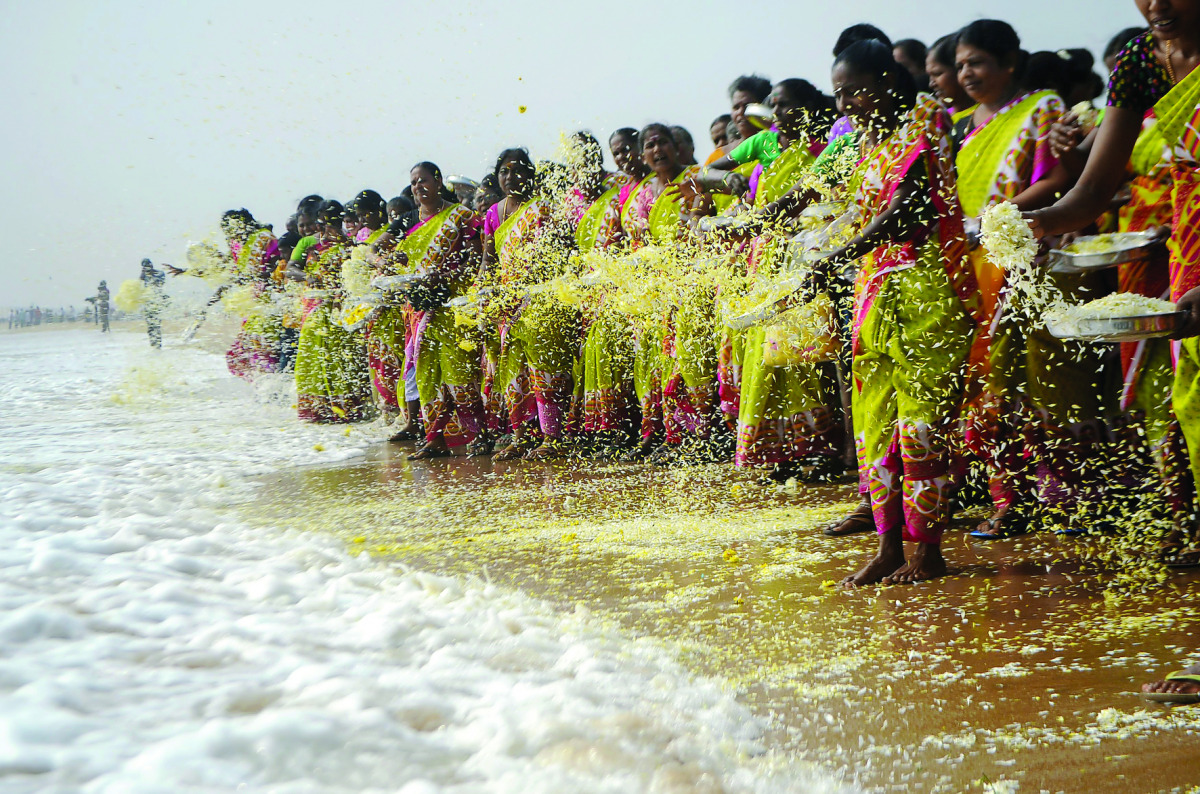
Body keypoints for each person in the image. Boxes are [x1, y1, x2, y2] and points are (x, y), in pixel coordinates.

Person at [1026, 0, 1200, 565]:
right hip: (1188, 255)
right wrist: (1037, 224)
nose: (1157, 4)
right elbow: (1092, 191)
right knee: (1190, 405)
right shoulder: (1141, 61)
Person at [806, 40, 980, 586]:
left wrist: (839, 254)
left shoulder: (922, 129)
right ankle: (887, 546)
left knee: (920, 425)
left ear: (887, 80)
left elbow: (909, 211)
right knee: (875, 424)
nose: (847, 104)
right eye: (839, 95)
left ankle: (927, 549)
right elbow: (856, 216)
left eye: (854, 90)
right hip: (873, 296)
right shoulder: (867, 149)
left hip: (925, 293)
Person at [951, 20, 1084, 540]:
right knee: (982, 383)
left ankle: (1062, 496)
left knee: (1030, 377)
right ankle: (1008, 496)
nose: (967, 73)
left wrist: (997, 216)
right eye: (961, 64)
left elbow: (1058, 180)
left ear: (1010, 63)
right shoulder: (961, 123)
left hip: (1020, 259)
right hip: (967, 262)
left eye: (977, 62)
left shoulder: (1041, 107)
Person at [480, 147, 576, 460]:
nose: (510, 177)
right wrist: (483, 293)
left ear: (530, 174)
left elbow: (560, 255)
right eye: (504, 171)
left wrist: (533, 286)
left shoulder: (543, 208)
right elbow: (488, 260)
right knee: (512, 371)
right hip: (507, 305)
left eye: (518, 169)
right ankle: (520, 436)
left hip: (541, 300)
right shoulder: (493, 214)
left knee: (543, 368)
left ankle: (552, 438)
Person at [389, 162, 490, 460]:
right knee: (427, 373)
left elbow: (476, 257)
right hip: (420, 309)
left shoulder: (460, 215)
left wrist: (447, 276)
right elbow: (395, 259)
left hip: (453, 306)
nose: (418, 187)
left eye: (424, 180)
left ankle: (478, 435)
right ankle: (435, 438)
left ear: (438, 181)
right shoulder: (410, 223)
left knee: (459, 372)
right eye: (413, 182)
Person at [290, 200, 373, 423]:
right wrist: (309, 277)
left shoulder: (351, 246)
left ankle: (349, 411)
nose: (325, 230)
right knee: (315, 358)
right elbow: (291, 269)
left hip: (342, 311)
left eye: (332, 224)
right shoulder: (309, 244)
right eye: (323, 224)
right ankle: (318, 410)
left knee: (344, 359)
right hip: (316, 309)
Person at [705, 75, 773, 165]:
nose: (741, 112)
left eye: (747, 106)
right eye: (736, 107)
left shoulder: (778, 147)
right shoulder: (717, 157)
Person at [926, 34, 974, 120]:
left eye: (937, 73)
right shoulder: (938, 119)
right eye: (930, 76)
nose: (931, 84)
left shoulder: (981, 117)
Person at [139, 260, 165, 348]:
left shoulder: (159, 273)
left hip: (157, 302)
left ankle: (158, 344)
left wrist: (149, 275)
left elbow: (159, 283)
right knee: (150, 325)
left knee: (156, 324)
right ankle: (153, 343)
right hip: (148, 303)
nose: (146, 268)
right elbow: (140, 285)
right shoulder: (144, 275)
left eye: (147, 266)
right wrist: (143, 275)